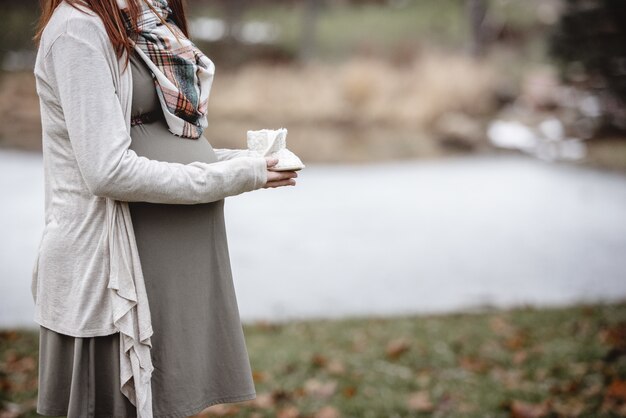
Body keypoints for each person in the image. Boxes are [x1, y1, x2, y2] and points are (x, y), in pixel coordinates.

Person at [30, 0, 299, 417]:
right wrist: (235, 177)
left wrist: (244, 165)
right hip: (112, 264)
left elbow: (158, 138)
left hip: (171, 263)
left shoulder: (145, 17)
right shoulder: (77, 31)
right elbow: (108, 172)